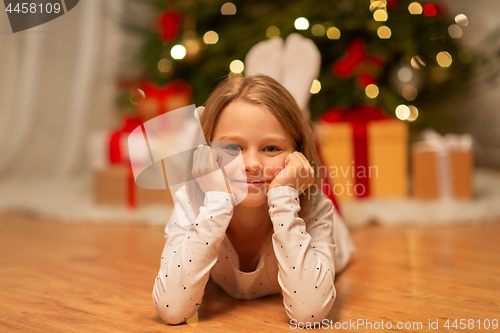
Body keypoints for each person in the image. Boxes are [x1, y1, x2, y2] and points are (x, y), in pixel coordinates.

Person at [152, 75, 355, 325]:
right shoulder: (192, 203)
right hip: (222, 196)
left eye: (271, 148)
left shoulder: (315, 207)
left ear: (297, 155)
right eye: (232, 148)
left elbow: (309, 313)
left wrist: (283, 198)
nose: (251, 165)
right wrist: (217, 201)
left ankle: (301, 108)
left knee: (330, 200)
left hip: (324, 223)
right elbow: (172, 309)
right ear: (204, 151)